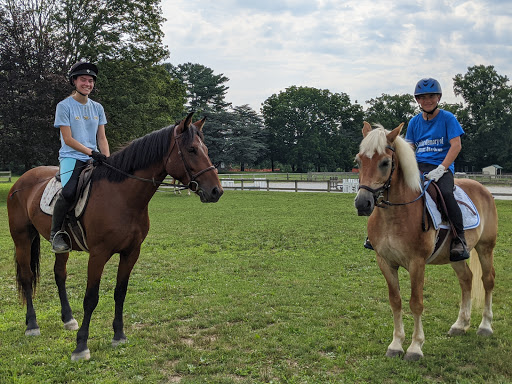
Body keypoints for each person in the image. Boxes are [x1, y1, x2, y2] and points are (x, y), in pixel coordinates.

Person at [405, 77, 469, 261]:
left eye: (431, 96)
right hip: (418, 167)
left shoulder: (448, 118)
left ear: (438, 97)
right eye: (422, 97)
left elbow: (456, 146)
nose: (427, 100)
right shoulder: (414, 122)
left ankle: (459, 239)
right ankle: (378, 233)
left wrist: (442, 168)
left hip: (442, 167)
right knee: (393, 188)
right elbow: (409, 148)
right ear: (417, 100)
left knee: (447, 194)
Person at [50, 62, 110, 253]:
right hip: (71, 157)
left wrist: (106, 158)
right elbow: (67, 139)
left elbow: (101, 137)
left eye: (91, 80)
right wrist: (92, 153)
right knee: (68, 192)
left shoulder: (98, 107)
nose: (87, 83)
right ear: (74, 81)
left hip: (94, 157)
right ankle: (56, 234)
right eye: (83, 79)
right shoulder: (64, 106)